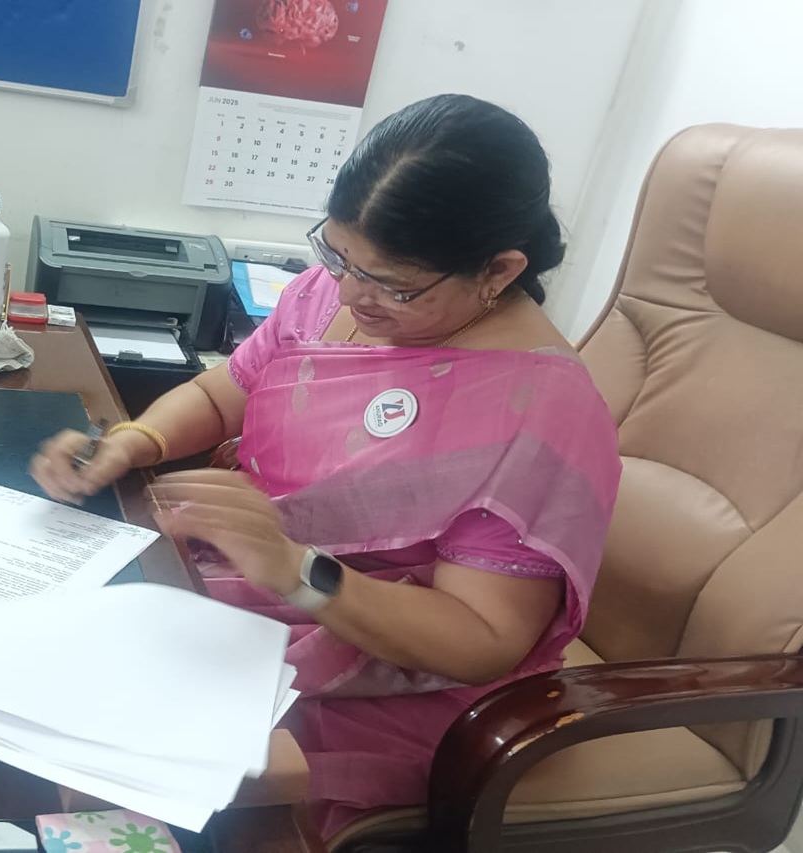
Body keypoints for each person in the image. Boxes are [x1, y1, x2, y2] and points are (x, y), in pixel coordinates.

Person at [30, 94, 622, 839]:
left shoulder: (541, 413)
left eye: (394, 283)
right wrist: (135, 439)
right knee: (56, 661)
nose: (348, 293)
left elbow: (481, 637)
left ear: (499, 269)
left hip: (388, 674)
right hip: (252, 577)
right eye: (338, 256)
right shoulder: (325, 296)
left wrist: (297, 569)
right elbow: (222, 392)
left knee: (119, 743)